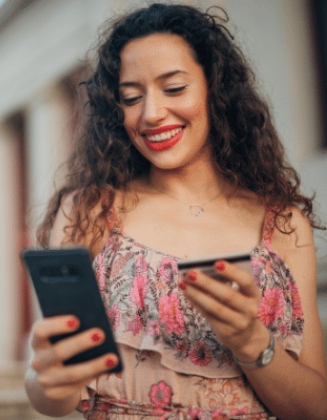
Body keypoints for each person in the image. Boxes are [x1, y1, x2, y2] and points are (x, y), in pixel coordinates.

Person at [25, 3, 327, 419]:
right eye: (131, 97)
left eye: (173, 88)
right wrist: (45, 378)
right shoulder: (91, 211)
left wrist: (252, 343)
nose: (151, 113)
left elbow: (316, 408)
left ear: (215, 90)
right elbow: (54, 396)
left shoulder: (283, 224)